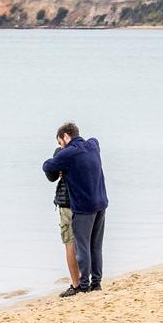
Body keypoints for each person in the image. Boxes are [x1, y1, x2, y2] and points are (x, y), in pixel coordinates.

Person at [42, 122, 108, 296]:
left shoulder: (69, 153)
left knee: (82, 247)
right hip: (100, 203)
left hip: (84, 207)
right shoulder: (92, 145)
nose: (60, 147)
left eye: (60, 143)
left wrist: (58, 156)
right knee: (96, 246)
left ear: (66, 136)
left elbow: (47, 167)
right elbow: (94, 141)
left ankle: (83, 285)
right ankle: (96, 283)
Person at [45, 146, 81, 297]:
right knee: (84, 244)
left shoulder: (61, 153)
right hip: (83, 203)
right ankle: (89, 280)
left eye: (59, 141)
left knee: (70, 245)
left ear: (64, 138)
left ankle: (76, 284)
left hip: (67, 204)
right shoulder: (84, 150)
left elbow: (51, 175)